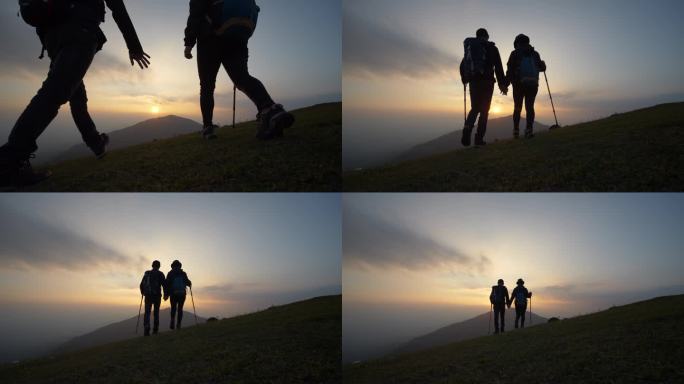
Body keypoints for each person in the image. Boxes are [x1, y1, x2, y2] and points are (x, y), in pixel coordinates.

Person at [0, 0, 151, 187]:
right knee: (55, 93)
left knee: (75, 96)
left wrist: (51, 39)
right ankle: (10, 161)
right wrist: (134, 46)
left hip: (53, 39)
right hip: (80, 32)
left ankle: (96, 143)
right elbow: (117, 7)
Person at [184, 0, 295, 140]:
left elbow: (196, 14)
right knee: (242, 78)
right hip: (237, 37)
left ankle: (207, 128)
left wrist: (188, 43)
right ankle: (270, 110)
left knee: (207, 85)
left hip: (210, 38)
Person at [460, 28, 508, 147]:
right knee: (484, 111)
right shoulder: (492, 48)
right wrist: (503, 84)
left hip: (474, 82)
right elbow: (498, 67)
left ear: (477, 36)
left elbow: (463, 65)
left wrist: (465, 79)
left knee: (475, 108)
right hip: (487, 82)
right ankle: (479, 139)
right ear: (487, 36)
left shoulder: (470, 48)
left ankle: (467, 128)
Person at [506, 34, 546, 139]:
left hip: (518, 85)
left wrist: (505, 84)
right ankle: (529, 130)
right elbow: (541, 68)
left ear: (517, 43)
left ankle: (516, 130)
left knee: (517, 108)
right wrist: (543, 65)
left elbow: (510, 70)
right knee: (530, 107)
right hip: (533, 84)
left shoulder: (514, 53)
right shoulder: (535, 54)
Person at [139, 260, 166, 336]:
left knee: (147, 313)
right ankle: (155, 330)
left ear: (152, 265)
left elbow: (141, 285)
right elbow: (164, 285)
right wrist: (165, 294)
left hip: (148, 296)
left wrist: (143, 293)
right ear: (159, 266)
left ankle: (146, 330)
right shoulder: (160, 274)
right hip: (157, 296)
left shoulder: (147, 274)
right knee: (156, 313)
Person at [164, 260, 192, 330]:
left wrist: (166, 294)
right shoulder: (183, 273)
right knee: (180, 309)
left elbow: (167, 284)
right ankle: (178, 324)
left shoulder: (170, 273)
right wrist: (190, 283)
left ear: (172, 266)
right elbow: (188, 282)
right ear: (180, 266)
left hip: (173, 294)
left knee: (173, 308)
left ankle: (172, 320)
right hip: (182, 294)